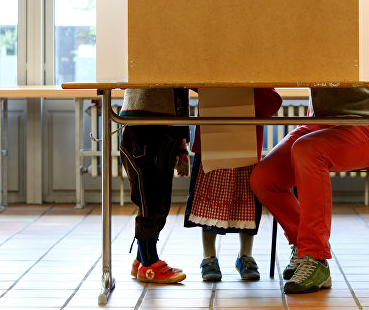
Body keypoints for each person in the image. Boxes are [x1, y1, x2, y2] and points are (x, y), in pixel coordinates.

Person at [249, 4, 369, 294]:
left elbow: (334, 56)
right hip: (323, 123)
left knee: (308, 150)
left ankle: (316, 258)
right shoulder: (310, 6)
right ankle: (304, 246)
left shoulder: (361, 7)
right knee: (263, 179)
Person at [184, 89, 282, 281]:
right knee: (209, 202)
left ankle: (245, 255)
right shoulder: (210, 66)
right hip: (212, 144)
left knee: (246, 203)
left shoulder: (258, 75)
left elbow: (272, 103)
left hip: (245, 148)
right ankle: (209, 256)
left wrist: (250, 87)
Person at [119, 88, 190, 284]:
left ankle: (143, 259)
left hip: (163, 127)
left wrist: (181, 145)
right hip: (144, 124)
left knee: (159, 201)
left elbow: (179, 94)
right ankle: (149, 263)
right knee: (150, 200)